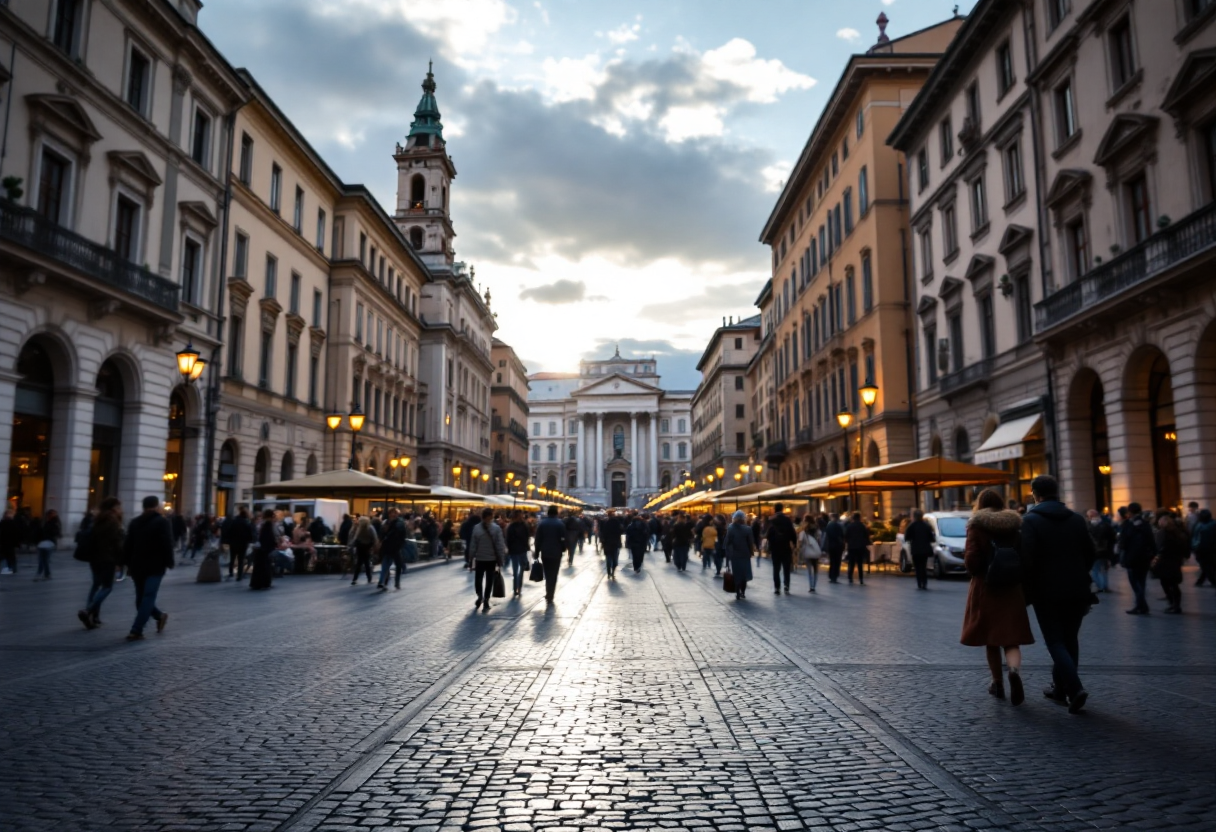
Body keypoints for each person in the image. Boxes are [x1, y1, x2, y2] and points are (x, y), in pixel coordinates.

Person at [1021, 475, 1096, 714]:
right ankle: (1060, 689)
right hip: (1077, 590)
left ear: (1035, 494)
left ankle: (1074, 689)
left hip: (1047, 592)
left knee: (1055, 641)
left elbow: (1027, 559)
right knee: (1070, 639)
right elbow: (1091, 553)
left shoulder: (1030, 521)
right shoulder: (1076, 519)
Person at [960, 490, 1033, 705]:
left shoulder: (976, 525)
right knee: (1011, 637)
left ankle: (997, 683)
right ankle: (1013, 671)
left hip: (986, 586)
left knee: (990, 638)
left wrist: (976, 570)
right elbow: (1024, 555)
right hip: (1011, 587)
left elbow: (972, 559)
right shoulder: (1014, 525)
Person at [123, 497, 174, 641]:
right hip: (155, 565)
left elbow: (128, 545)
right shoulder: (162, 522)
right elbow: (167, 543)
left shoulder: (135, 522)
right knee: (147, 597)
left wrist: (124, 563)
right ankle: (150, 621)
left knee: (142, 598)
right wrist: (169, 561)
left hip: (137, 566)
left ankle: (140, 627)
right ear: (156, 506)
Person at [78, 497, 124, 630]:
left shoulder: (97, 519)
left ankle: (94, 616)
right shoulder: (113, 522)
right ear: (114, 508)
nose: (121, 510)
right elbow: (117, 543)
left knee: (96, 585)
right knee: (107, 587)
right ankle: (89, 611)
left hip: (94, 558)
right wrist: (120, 561)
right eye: (119, 507)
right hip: (108, 558)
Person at [1118, 502, 1154, 615]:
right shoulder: (1145, 524)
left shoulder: (1128, 524)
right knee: (1141, 582)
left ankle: (1141, 605)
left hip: (1132, 558)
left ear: (1130, 512)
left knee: (1135, 583)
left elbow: (1123, 542)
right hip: (1144, 558)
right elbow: (1151, 540)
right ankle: (1142, 606)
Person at [468, 507, 505, 611]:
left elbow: (473, 544)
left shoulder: (476, 528)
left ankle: (480, 596)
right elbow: (500, 545)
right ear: (490, 516)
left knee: (479, 579)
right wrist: (501, 559)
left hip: (481, 558)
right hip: (490, 559)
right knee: (489, 580)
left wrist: (471, 557)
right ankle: (486, 600)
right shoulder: (496, 528)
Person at [1155, 512, 1188, 614]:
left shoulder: (1162, 533)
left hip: (1165, 561)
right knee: (1174, 584)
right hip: (1175, 561)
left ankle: (1172, 603)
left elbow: (1159, 547)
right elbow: (1184, 547)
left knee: (1166, 583)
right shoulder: (1179, 533)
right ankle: (1176, 605)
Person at [534, 506, 566, 603]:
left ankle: (548, 591)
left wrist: (537, 552)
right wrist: (563, 548)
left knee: (547, 573)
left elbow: (538, 539)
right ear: (556, 513)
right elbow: (563, 538)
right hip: (556, 553)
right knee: (554, 573)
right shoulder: (560, 524)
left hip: (545, 552)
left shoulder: (542, 524)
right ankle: (551, 593)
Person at [765, 504, 796, 595]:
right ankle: (786, 586)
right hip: (786, 547)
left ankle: (777, 587)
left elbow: (768, 535)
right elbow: (792, 533)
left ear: (775, 509)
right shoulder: (787, 520)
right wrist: (794, 543)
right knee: (786, 568)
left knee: (776, 569)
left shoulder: (772, 520)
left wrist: (770, 545)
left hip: (775, 548)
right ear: (782, 509)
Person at [725, 510, 755, 600]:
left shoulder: (730, 528)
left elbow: (727, 542)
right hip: (745, 554)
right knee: (744, 574)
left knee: (737, 573)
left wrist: (727, 553)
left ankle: (737, 591)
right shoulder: (748, 529)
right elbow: (750, 542)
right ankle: (743, 592)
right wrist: (751, 552)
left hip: (735, 554)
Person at [376, 507, 408, 591]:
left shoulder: (399, 523)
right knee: (385, 565)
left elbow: (402, 534)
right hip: (387, 547)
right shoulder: (385, 523)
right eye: (391, 513)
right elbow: (381, 534)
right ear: (389, 514)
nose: (393, 515)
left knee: (398, 565)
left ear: (397, 514)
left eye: (395, 513)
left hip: (395, 547)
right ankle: (382, 582)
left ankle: (396, 582)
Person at [904, 509, 935, 590]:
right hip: (925, 549)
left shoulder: (911, 526)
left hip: (915, 549)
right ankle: (924, 582)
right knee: (923, 566)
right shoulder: (926, 526)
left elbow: (906, 537)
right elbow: (932, 538)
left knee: (917, 567)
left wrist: (912, 539)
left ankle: (919, 582)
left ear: (914, 516)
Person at [1085, 510, 1116, 593]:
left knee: (1095, 570)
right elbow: (1112, 539)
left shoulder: (1087, 526)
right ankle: (1105, 586)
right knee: (1104, 570)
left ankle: (1100, 586)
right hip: (1105, 552)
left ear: (1090, 517)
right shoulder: (1106, 525)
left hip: (1093, 552)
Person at [221, 507, 254, 581]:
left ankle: (231, 572)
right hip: (243, 543)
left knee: (232, 558)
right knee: (241, 560)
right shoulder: (246, 523)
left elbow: (229, 531)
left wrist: (229, 540)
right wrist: (249, 540)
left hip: (233, 543)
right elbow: (250, 534)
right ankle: (239, 575)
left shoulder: (234, 521)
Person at [505, 510, 531, 597]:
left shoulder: (510, 527)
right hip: (522, 550)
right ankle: (518, 588)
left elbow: (508, 540)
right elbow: (527, 537)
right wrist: (527, 547)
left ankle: (515, 588)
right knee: (520, 571)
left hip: (514, 551)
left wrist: (508, 549)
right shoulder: (524, 525)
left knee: (515, 570)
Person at [250, 509, 277, 590]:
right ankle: (264, 582)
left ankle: (257, 583)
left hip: (261, 549)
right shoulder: (268, 525)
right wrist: (274, 544)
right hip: (265, 549)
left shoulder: (263, 524)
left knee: (259, 567)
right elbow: (269, 538)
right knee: (265, 566)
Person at [843, 512, 871, 585]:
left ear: (853, 518)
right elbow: (866, 536)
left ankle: (850, 577)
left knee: (851, 563)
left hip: (852, 547)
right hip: (860, 547)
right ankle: (861, 578)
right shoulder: (863, 526)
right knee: (860, 563)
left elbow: (846, 536)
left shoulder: (849, 526)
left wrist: (848, 542)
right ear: (859, 518)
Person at [349, 516, 378, 586]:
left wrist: (351, 546)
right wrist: (374, 546)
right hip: (367, 546)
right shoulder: (370, 528)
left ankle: (355, 578)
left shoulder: (359, 528)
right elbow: (374, 538)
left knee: (359, 563)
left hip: (360, 546)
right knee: (367, 562)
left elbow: (353, 537)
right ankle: (369, 578)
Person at [34, 508, 61, 581]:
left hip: (48, 543)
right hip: (44, 543)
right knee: (43, 560)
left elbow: (56, 533)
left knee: (43, 560)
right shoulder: (46, 522)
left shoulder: (54, 523)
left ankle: (41, 574)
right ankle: (46, 574)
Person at [797, 515, 822, 593]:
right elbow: (819, 540)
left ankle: (811, 586)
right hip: (815, 550)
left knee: (809, 570)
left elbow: (800, 541)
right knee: (815, 569)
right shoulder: (817, 530)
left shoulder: (803, 531)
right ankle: (814, 586)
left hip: (807, 551)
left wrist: (798, 550)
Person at [1193, 508, 1216, 587]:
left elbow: (1195, 537)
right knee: (1208, 565)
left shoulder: (1199, 525)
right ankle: (1200, 581)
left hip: (1202, 549)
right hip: (1208, 549)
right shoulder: (1213, 523)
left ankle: (1212, 581)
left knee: (1206, 566)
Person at [599, 509, 624, 579]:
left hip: (607, 543)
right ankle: (613, 572)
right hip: (615, 543)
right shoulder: (617, 522)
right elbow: (621, 531)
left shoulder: (604, 522)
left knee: (608, 558)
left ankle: (608, 572)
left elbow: (602, 533)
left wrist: (602, 541)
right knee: (615, 558)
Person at [823, 513, 845, 583]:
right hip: (838, 546)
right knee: (837, 561)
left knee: (832, 561)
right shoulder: (839, 526)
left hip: (831, 545)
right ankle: (835, 575)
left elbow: (826, 536)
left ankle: (831, 575)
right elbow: (842, 535)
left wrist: (824, 547)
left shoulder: (829, 526)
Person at [0, 507, 18, 574]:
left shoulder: (3, 522)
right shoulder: (12, 523)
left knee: (6, 555)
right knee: (10, 556)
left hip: (5, 542)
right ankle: (12, 568)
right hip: (9, 542)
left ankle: (12, 568)